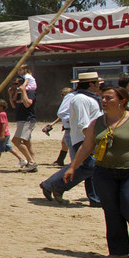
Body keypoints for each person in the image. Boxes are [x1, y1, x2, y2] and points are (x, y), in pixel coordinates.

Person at [66, 81, 129, 258]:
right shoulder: (97, 123)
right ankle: (119, 250)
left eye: (109, 98)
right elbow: (86, 147)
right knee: (112, 211)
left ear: (122, 100)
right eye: (102, 98)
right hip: (104, 172)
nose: (104, 101)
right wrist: (73, 166)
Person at [41, 72, 102, 204]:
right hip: (84, 138)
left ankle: (95, 198)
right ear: (91, 84)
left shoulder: (89, 98)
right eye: (97, 83)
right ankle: (55, 185)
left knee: (89, 167)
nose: (99, 85)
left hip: (88, 137)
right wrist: (91, 139)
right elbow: (83, 122)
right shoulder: (80, 99)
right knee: (88, 166)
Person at [8, 73, 37, 171]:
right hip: (21, 119)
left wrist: (23, 90)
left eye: (17, 84)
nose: (15, 86)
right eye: (13, 84)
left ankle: (31, 162)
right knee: (27, 142)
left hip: (27, 119)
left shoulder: (30, 92)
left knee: (16, 141)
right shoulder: (18, 93)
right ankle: (33, 162)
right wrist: (11, 95)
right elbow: (14, 106)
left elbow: (28, 104)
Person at [0, 98, 21, 169]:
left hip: (2, 134)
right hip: (1, 134)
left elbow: (3, 124)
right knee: (9, 148)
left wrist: (2, 134)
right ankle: (21, 159)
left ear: (2, 106)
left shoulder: (2, 114)